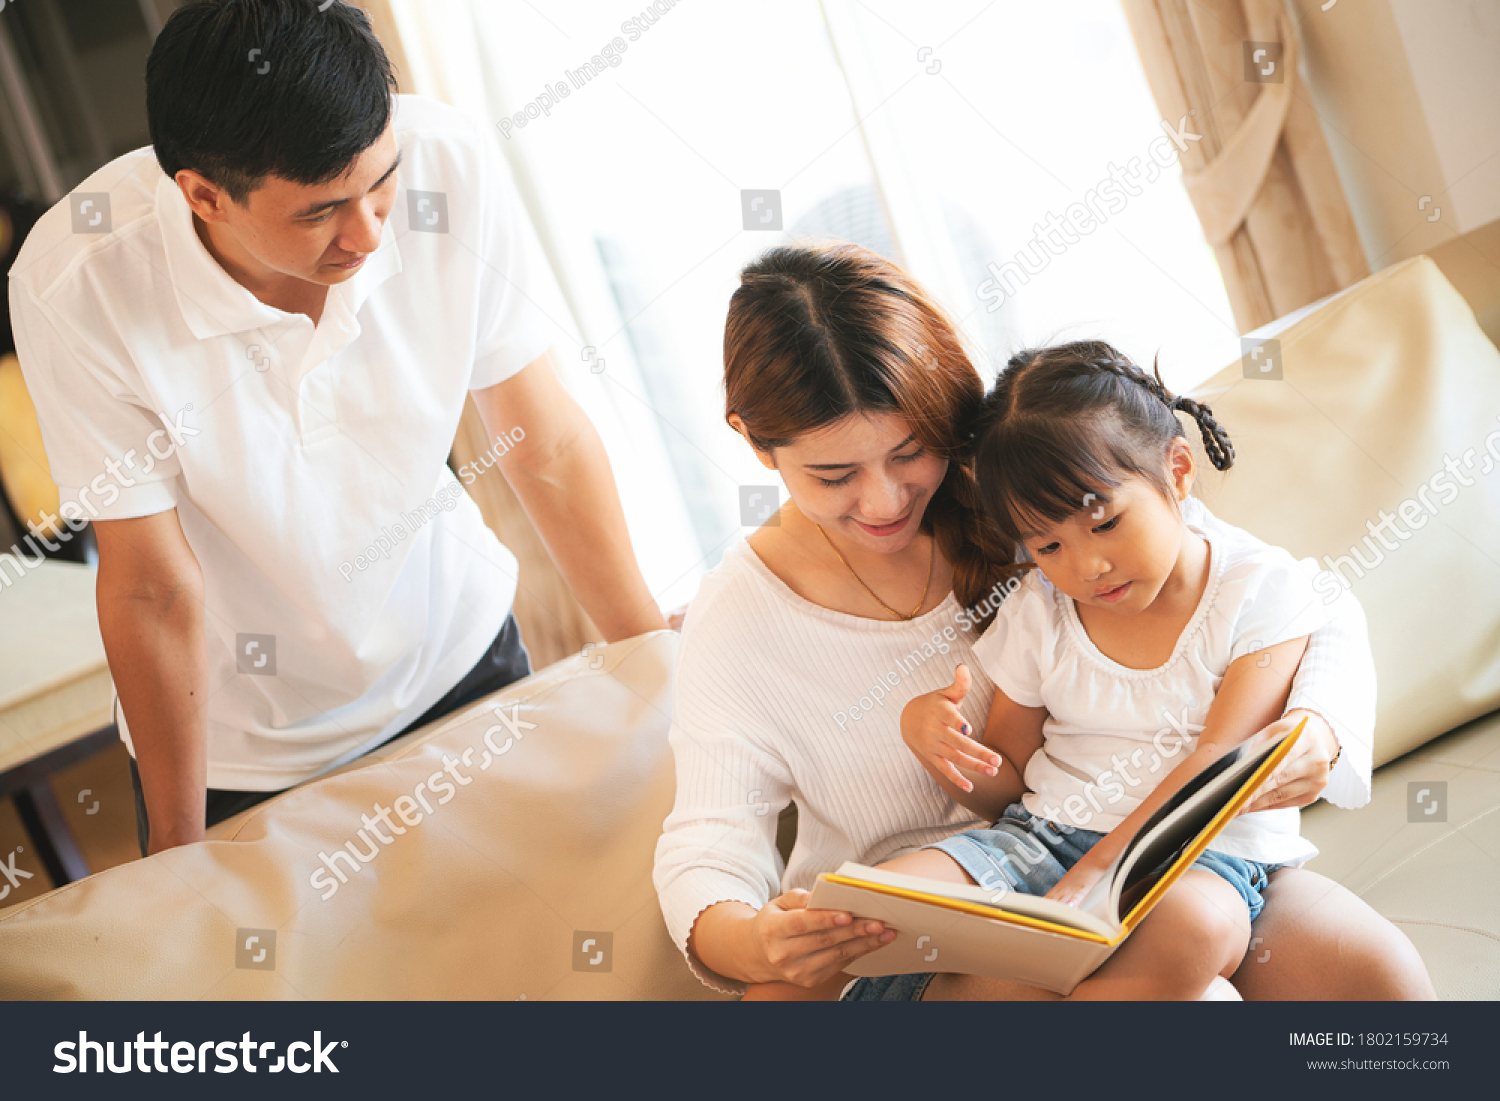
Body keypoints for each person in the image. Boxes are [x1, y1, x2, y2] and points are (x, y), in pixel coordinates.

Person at [652, 240, 1434, 1001]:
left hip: (1167, 850)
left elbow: (1286, 594)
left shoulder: (1025, 504)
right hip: (971, 877)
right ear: (755, 444)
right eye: (834, 474)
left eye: (909, 452)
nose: (886, 500)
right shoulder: (746, 612)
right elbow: (708, 845)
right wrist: (754, 940)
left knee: (1377, 981)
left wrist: (1321, 722)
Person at [6, 0, 664, 857]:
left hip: (458, 655)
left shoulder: (447, 167)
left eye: (380, 183)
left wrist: (655, 663)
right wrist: (177, 861)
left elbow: (544, 440)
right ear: (203, 195)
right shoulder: (79, 285)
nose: (368, 231)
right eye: (321, 212)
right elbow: (150, 586)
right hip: (246, 744)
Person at [868, 340, 1370, 999]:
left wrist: (1101, 874)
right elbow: (1007, 790)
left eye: (1103, 523)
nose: (1085, 566)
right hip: (1040, 840)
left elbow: (1221, 763)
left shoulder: (1258, 588)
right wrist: (940, 748)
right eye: (1048, 544)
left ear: (1179, 469)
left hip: (1200, 854)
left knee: (1193, 928)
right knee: (887, 903)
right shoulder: (1039, 609)